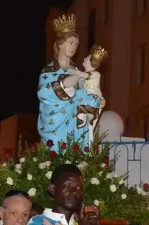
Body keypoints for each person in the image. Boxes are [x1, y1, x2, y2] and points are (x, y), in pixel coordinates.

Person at [38, 14, 103, 147]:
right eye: (71, 42)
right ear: (59, 45)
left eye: (76, 44)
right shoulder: (49, 71)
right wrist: (64, 84)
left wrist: (96, 102)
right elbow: (43, 94)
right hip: (55, 126)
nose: (74, 47)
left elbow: (83, 96)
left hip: (75, 129)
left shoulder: (77, 72)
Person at [78, 45, 108, 145]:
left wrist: (73, 72)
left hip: (91, 106)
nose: (84, 58)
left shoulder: (95, 74)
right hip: (81, 106)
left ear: (91, 60)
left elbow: (96, 94)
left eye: (87, 57)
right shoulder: (80, 77)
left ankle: (86, 149)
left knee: (87, 130)